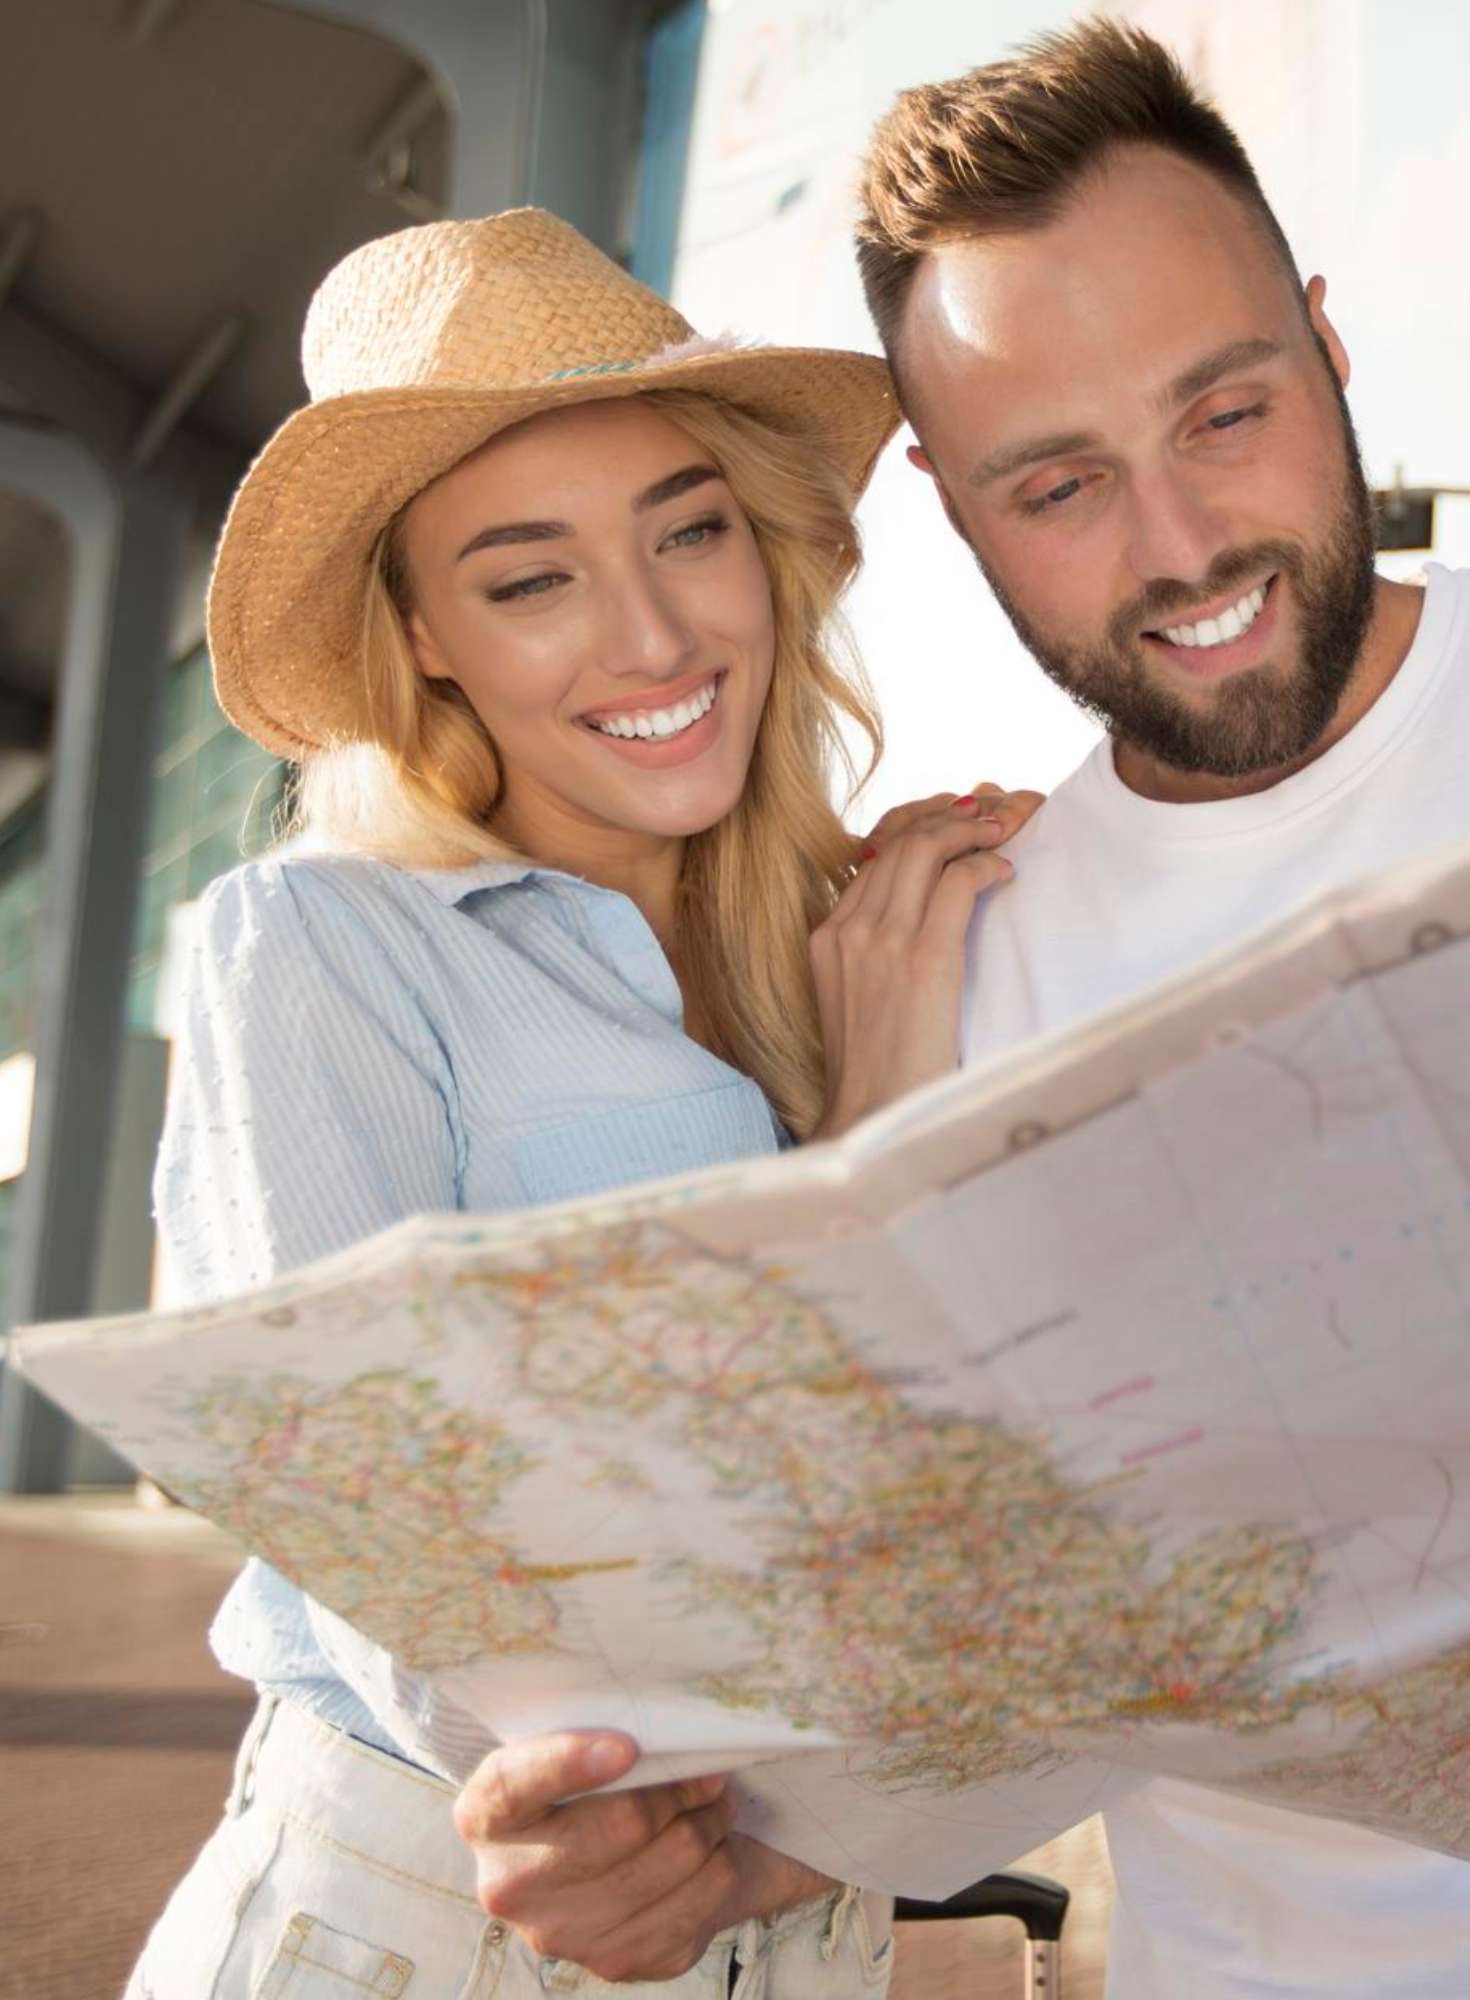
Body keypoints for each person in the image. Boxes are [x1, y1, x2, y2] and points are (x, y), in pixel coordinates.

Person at [461, 20, 1470, 2000]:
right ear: (944, 503)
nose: (1179, 547)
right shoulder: (962, 974)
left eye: (1223, 413)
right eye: (1057, 483)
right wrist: (664, 1854)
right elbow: (953, 1701)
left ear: (1328, 344)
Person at [134, 206, 1036, 1999]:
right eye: (530, 576)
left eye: (688, 531)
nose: (649, 633)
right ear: (424, 635)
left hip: (823, 1925)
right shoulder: (320, 950)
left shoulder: (886, 937)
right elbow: (399, 1536)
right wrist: (866, 1158)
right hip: (431, 1926)